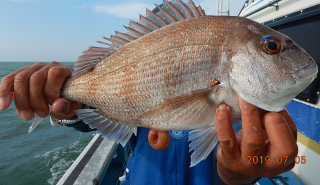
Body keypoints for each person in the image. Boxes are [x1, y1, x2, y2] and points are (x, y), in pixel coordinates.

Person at [0, 62, 298, 185]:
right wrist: (66, 104)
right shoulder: (138, 89)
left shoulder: (252, 112)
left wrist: (240, 174)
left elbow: (253, 160)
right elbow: (88, 117)